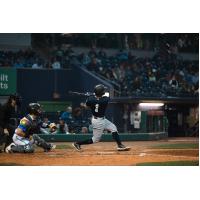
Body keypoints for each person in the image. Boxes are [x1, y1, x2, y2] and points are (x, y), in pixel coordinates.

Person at [72, 84, 130, 151]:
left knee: (113, 128)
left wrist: (91, 96)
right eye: (103, 91)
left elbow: (87, 106)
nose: (104, 91)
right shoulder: (104, 100)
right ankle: (77, 143)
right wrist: (94, 95)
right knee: (95, 140)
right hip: (98, 122)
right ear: (101, 93)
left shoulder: (90, 99)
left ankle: (120, 145)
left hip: (101, 119)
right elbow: (106, 96)